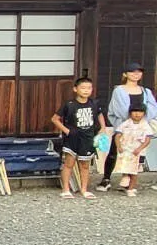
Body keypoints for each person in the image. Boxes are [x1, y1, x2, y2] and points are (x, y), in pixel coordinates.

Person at [100, 62, 157, 192]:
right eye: (132, 72)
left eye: (139, 72)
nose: (136, 74)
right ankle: (106, 179)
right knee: (115, 151)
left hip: (140, 127)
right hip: (123, 125)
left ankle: (129, 180)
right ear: (125, 74)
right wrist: (131, 120)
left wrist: (141, 119)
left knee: (136, 153)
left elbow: (153, 108)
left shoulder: (146, 91)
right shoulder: (119, 90)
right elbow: (119, 109)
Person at [52, 77, 106, 199]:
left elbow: (100, 115)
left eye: (89, 88)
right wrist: (66, 130)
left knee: (85, 165)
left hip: (88, 137)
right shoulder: (69, 104)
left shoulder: (94, 104)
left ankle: (84, 189)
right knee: (69, 164)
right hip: (72, 138)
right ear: (75, 89)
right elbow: (55, 119)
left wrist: (103, 127)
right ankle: (66, 189)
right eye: (83, 88)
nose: (86, 90)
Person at [113, 104, 152, 197]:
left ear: (144, 113)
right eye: (134, 111)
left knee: (134, 171)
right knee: (125, 167)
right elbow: (117, 135)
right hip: (126, 150)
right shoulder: (125, 124)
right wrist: (119, 146)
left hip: (138, 152)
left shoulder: (145, 125)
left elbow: (147, 140)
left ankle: (131, 188)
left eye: (140, 112)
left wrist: (140, 148)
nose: (137, 114)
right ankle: (126, 180)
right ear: (130, 113)